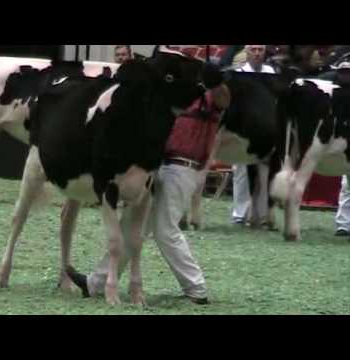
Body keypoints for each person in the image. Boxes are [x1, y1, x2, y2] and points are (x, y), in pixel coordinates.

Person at [67, 84, 231, 305]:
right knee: (132, 226)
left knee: (166, 230)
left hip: (182, 166)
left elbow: (224, 98)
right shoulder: (175, 94)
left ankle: (197, 288)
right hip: (160, 163)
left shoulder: (208, 96)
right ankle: (95, 283)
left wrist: (215, 79)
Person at [230, 45, 276, 225]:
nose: (257, 53)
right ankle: (240, 213)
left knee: (265, 171)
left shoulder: (270, 72)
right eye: (253, 50)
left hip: (265, 130)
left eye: (260, 50)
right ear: (246, 52)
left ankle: (262, 214)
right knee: (240, 171)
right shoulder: (238, 73)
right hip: (242, 129)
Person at [333, 62, 350, 236]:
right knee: (347, 185)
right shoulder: (334, 94)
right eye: (343, 72)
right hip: (341, 142)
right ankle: (343, 224)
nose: (346, 76)